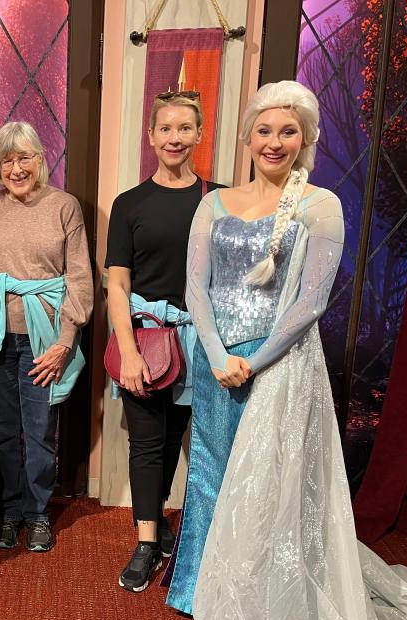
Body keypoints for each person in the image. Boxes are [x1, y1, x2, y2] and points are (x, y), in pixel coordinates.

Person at [176, 80, 407, 620]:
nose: (275, 142)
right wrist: (217, 356)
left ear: (305, 139)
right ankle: (201, 587)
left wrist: (254, 363)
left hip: (279, 370)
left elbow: (311, 303)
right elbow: (195, 289)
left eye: (288, 131)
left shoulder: (320, 205)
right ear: (246, 137)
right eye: (264, 130)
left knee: (275, 488)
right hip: (217, 365)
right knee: (214, 477)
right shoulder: (213, 204)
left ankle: (268, 599)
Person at [106, 90, 223, 592]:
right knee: (147, 442)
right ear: (151, 136)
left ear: (199, 135)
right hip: (145, 338)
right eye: (166, 128)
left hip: (198, 341)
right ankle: (147, 541)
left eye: (185, 128)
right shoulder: (129, 204)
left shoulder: (218, 200)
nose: (175, 137)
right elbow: (117, 283)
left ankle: (179, 530)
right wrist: (128, 351)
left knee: (180, 440)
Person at [0, 121, 93, 552]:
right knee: (0, 432)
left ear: (40, 159)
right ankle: (10, 510)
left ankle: (37, 514)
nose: (17, 168)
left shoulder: (64, 206)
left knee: (39, 433)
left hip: (44, 341)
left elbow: (79, 278)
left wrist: (65, 340)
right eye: (7, 160)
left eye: (24, 158)